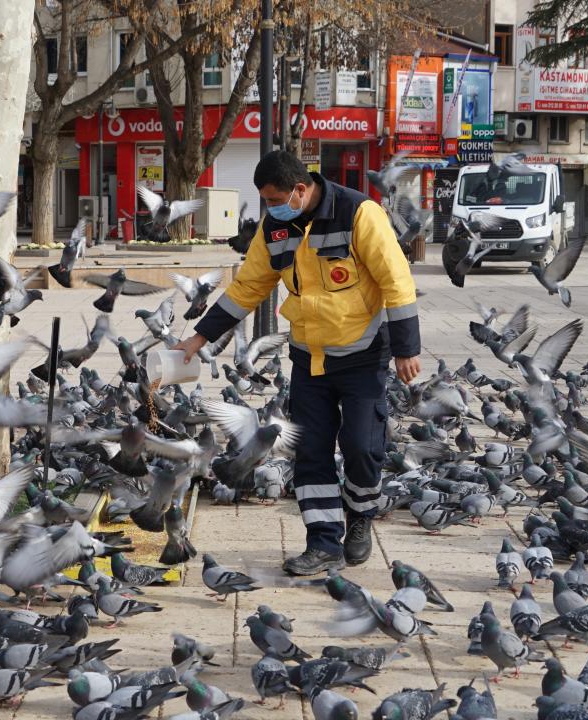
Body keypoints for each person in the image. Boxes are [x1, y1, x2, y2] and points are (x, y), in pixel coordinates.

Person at [174, 150, 421, 576]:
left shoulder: (359, 213)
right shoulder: (275, 226)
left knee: (362, 447)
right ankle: (322, 543)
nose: (270, 209)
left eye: (275, 199)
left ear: (300, 189)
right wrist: (198, 338)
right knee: (311, 452)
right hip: (309, 357)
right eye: (266, 201)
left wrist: (406, 349)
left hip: (363, 354)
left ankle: (359, 515)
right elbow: (248, 286)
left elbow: (395, 281)